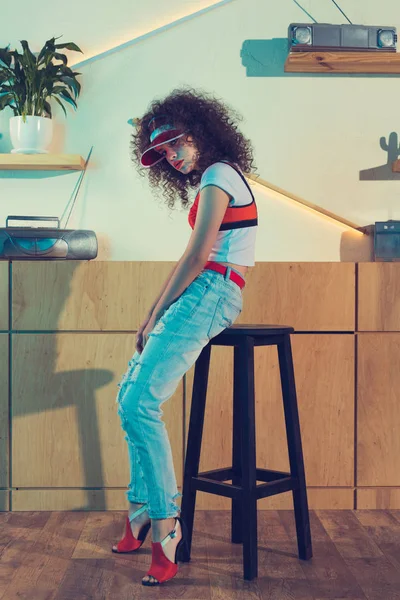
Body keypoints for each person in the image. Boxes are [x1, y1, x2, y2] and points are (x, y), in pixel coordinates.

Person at [112, 87, 258, 586]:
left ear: (200, 131)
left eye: (174, 143)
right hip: (203, 288)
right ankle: (139, 511)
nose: (170, 157)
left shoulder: (220, 175)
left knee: (139, 404)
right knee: (127, 397)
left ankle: (165, 526)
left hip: (214, 291)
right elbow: (191, 256)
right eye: (160, 152)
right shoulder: (212, 181)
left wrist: (160, 312)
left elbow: (200, 260)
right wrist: (153, 311)